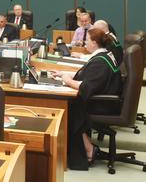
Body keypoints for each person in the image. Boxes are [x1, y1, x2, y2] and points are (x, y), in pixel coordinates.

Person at [49, 28, 122, 170]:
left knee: (67, 107)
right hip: (103, 98)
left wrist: (66, 80)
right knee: (70, 103)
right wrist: (64, 73)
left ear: (94, 43)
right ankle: (86, 146)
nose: (84, 43)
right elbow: (88, 77)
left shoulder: (100, 62)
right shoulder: (104, 55)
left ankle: (88, 150)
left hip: (102, 104)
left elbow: (85, 87)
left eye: (87, 40)